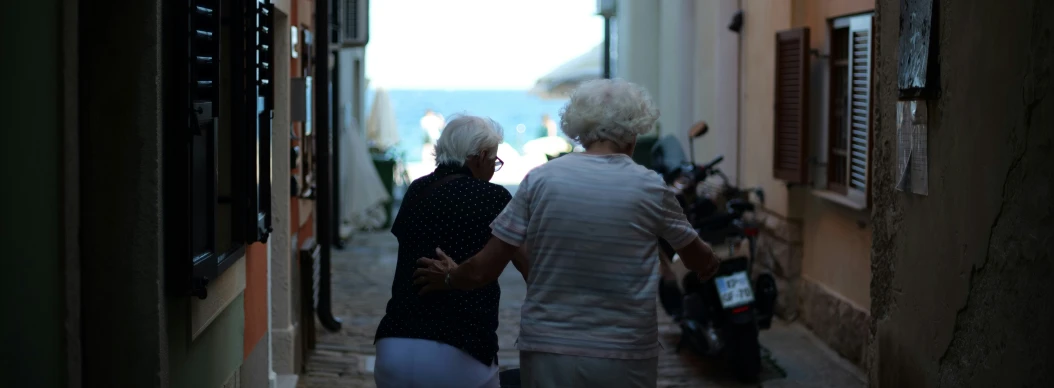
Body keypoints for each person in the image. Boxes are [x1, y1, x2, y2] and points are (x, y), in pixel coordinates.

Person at [413, 79, 721, 388]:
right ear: (634, 130)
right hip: (624, 353)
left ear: (579, 127)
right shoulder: (650, 186)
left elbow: (485, 267)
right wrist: (709, 263)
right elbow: (696, 258)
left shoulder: (540, 180)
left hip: (547, 350)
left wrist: (450, 277)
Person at [373, 115, 528, 388]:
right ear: (479, 157)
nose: (494, 167)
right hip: (460, 350)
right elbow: (530, 265)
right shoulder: (493, 197)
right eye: (495, 160)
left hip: (393, 347)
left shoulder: (417, 190)